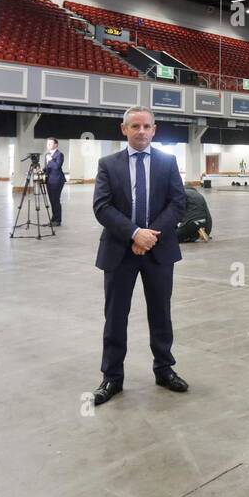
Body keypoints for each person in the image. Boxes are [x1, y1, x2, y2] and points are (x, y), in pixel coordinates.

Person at [89, 106, 188, 406]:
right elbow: (102, 206)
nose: (141, 131)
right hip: (120, 251)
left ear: (154, 130)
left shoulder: (168, 162)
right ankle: (112, 377)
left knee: (161, 313)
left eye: (146, 126)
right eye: (135, 126)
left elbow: (178, 203)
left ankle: (164, 369)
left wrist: (149, 236)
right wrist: (134, 234)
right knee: (116, 316)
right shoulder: (108, 164)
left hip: (158, 251)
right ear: (124, 129)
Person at [43, 137, 65, 226]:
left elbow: (57, 166)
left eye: (50, 143)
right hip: (49, 180)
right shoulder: (48, 155)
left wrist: (51, 159)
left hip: (57, 180)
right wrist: (42, 170)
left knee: (56, 200)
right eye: (47, 143)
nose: (48, 145)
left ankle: (58, 220)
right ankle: (53, 219)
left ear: (56, 144)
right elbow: (48, 168)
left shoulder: (59, 154)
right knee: (52, 200)